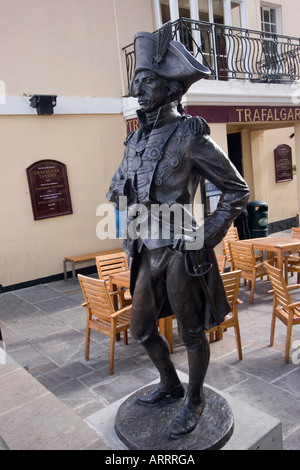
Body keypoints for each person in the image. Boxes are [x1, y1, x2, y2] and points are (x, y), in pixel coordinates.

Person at [107, 25, 250, 439]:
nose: (138, 90)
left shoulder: (190, 136)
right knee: (142, 329)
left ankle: (195, 398)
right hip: (143, 247)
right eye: (136, 83)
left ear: (170, 89)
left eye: (147, 82)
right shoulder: (133, 143)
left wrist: (206, 235)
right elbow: (118, 187)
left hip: (181, 247)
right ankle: (170, 384)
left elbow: (236, 190)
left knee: (191, 331)